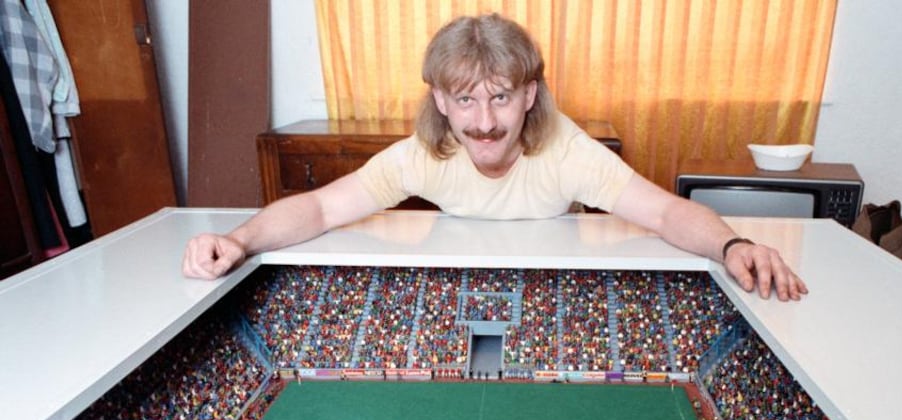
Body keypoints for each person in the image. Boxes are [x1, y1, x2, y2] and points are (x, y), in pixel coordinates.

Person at [181, 13, 806, 302]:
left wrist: (732, 246)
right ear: (441, 101)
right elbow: (318, 209)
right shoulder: (422, 153)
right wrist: (241, 240)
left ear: (529, 93)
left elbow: (668, 215)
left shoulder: (570, 151)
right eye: (466, 100)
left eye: (502, 97)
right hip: (459, 284)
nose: (485, 123)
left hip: (551, 285)